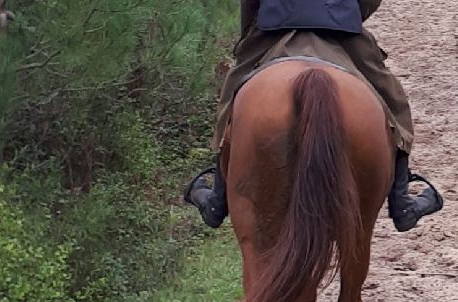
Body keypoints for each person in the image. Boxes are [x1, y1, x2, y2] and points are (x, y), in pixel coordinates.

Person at [184, 0, 443, 232]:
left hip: (274, 25)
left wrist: (250, 30)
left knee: (232, 93)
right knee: (393, 98)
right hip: (340, 26)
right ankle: (401, 203)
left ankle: (218, 199)